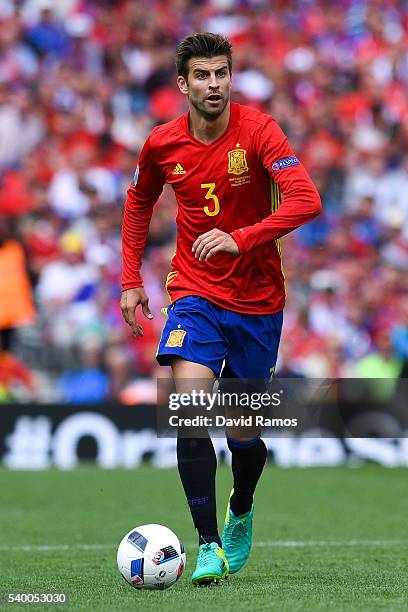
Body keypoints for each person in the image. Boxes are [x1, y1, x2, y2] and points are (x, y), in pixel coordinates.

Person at [120, 32, 322, 586]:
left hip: (258, 301)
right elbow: (139, 202)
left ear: (230, 76)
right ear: (182, 84)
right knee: (188, 409)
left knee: (244, 437)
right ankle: (207, 544)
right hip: (194, 293)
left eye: (222, 73)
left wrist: (243, 237)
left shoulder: (259, 131)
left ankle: (242, 504)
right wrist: (130, 279)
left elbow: (307, 199)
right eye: (203, 76)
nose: (214, 85)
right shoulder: (161, 143)